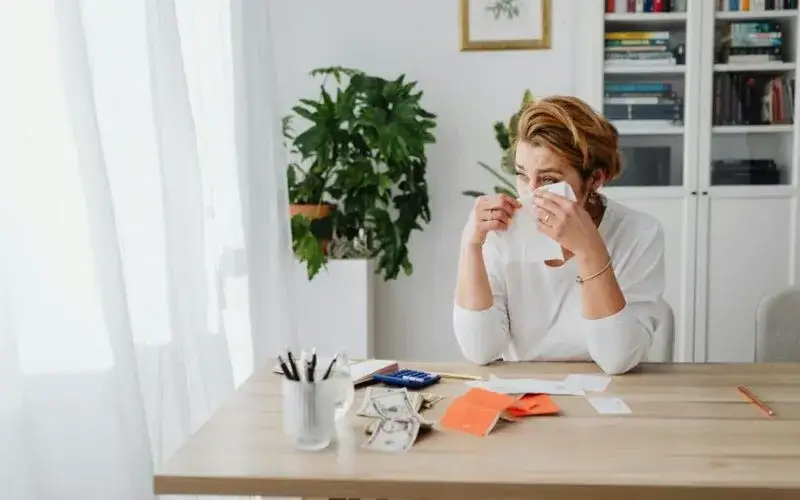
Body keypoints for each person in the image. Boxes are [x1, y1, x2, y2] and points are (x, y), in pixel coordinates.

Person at [453, 95, 665, 375]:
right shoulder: (501, 233)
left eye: (549, 180)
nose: (530, 192)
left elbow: (617, 359)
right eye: (522, 175)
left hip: (609, 390)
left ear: (595, 180)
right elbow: (480, 350)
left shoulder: (639, 233)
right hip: (522, 390)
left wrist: (589, 251)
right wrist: (470, 245)